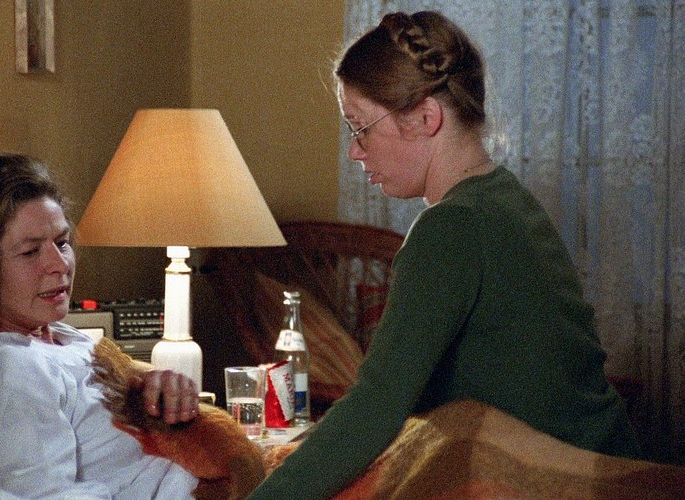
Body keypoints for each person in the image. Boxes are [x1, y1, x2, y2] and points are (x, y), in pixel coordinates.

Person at [248, 11, 640, 499]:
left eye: (360, 127)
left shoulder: (451, 228)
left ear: (426, 118)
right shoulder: (504, 198)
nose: (355, 152)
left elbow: (377, 406)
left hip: (560, 480)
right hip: (606, 459)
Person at [0, 153, 200, 499]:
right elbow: (43, 494)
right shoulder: (12, 367)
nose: (60, 264)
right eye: (30, 252)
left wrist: (156, 389)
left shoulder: (68, 340)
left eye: (62, 243)